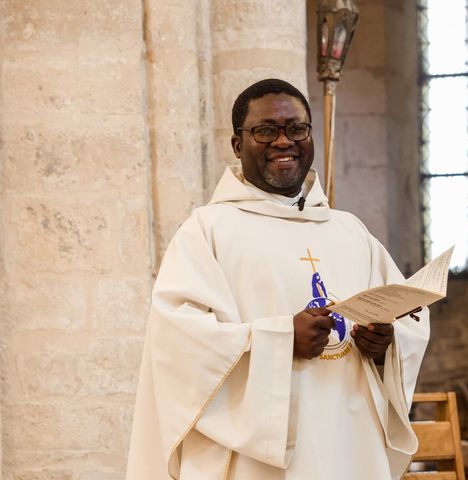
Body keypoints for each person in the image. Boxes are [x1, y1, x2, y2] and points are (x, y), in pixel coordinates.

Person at [126, 78, 430, 480]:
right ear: (238, 145)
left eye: (297, 129)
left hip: (351, 440)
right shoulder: (207, 231)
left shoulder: (350, 231)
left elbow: (406, 318)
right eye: (266, 131)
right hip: (262, 457)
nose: (283, 141)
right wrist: (283, 338)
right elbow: (179, 344)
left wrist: (384, 346)